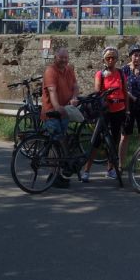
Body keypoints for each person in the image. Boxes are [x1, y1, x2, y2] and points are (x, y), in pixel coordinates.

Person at [81, 47, 128, 182]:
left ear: (117, 59)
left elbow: (125, 92)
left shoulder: (121, 73)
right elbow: (97, 91)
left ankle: (110, 169)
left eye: (113, 57)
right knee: (96, 140)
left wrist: (127, 110)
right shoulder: (100, 74)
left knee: (114, 140)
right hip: (104, 112)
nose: (111, 60)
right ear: (104, 60)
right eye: (108, 58)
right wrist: (105, 93)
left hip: (119, 110)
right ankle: (86, 170)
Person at [40, 46, 80, 189]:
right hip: (52, 113)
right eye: (61, 57)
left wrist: (74, 97)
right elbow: (52, 91)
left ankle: (58, 174)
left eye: (65, 57)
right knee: (55, 143)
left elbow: (75, 86)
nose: (63, 60)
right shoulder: (50, 71)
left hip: (65, 111)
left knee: (62, 141)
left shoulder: (69, 70)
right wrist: (57, 107)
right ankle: (53, 175)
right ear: (55, 58)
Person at [119, 44, 140, 170]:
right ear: (130, 56)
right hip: (129, 105)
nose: (137, 58)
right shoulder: (124, 69)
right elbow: (122, 88)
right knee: (125, 135)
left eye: (139, 55)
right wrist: (132, 97)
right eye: (135, 55)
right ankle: (121, 165)